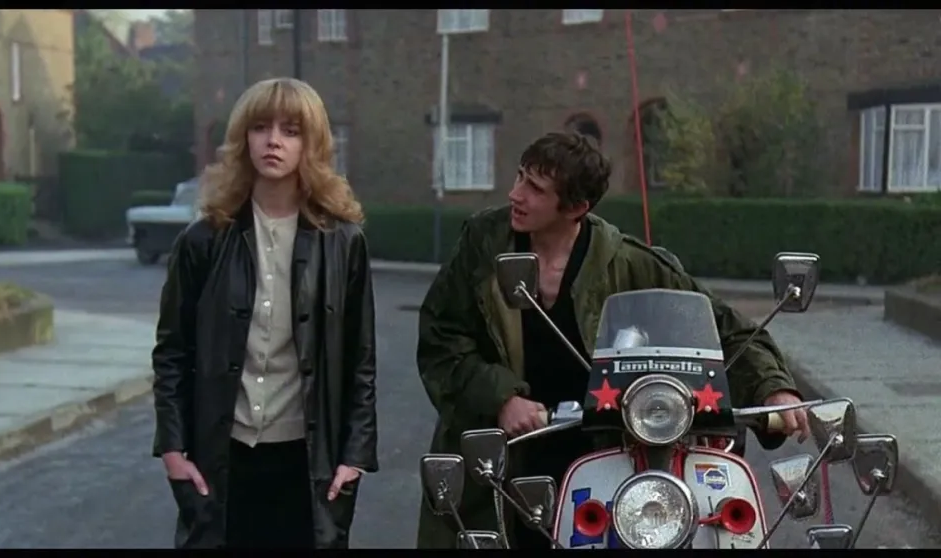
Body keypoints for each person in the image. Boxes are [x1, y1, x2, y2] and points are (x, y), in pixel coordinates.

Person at [414, 132, 808, 549]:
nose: (516, 194)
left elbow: (727, 328)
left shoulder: (629, 263)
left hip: (600, 456)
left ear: (576, 208)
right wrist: (501, 397)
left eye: (535, 188)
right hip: (504, 451)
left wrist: (772, 388)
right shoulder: (483, 245)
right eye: (519, 177)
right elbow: (441, 336)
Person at [151, 77, 378, 550]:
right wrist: (172, 449)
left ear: (311, 144)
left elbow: (360, 360)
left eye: (290, 131)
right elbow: (172, 352)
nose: (273, 141)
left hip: (307, 461)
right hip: (223, 458)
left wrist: (354, 457)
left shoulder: (343, 242)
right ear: (243, 138)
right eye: (260, 127)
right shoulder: (202, 241)